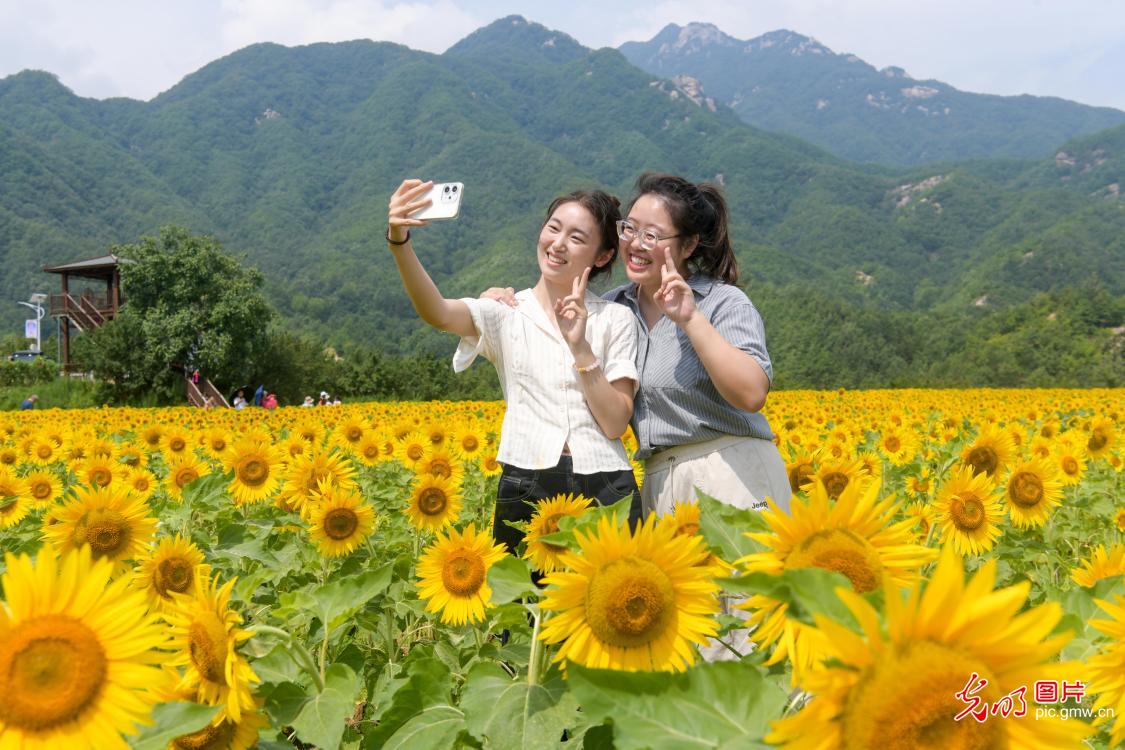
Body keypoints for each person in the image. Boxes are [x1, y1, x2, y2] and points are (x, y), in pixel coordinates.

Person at [485, 172, 790, 516]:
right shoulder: (613, 311)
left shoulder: (721, 302)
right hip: (659, 482)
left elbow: (751, 395)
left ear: (688, 246)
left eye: (652, 235)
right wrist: (501, 303)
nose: (636, 244)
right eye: (630, 229)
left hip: (733, 472)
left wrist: (690, 319)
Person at [387, 179, 642, 552]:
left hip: (606, 482)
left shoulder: (615, 319)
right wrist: (399, 241)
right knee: (524, 606)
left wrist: (581, 348)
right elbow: (438, 312)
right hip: (528, 480)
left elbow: (615, 422)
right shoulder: (506, 312)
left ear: (602, 256)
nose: (557, 243)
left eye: (576, 237)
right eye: (553, 228)